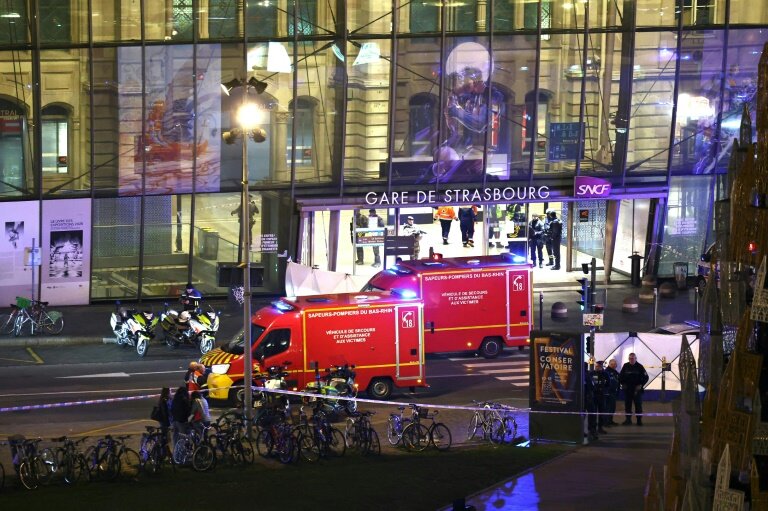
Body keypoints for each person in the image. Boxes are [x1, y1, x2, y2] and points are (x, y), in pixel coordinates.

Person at [619, 352, 649, 425]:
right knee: (627, 406)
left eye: (633, 358)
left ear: (636, 358)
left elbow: (646, 377)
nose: (631, 360)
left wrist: (641, 385)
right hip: (628, 390)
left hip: (637, 390)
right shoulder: (625, 366)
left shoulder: (640, 366)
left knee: (638, 406)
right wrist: (623, 384)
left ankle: (639, 421)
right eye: (630, 358)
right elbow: (620, 376)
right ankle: (628, 420)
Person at [604, 359, 620, 426]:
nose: (614, 365)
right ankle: (606, 422)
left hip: (614, 392)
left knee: (612, 408)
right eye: (612, 364)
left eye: (615, 364)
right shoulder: (606, 372)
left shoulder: (615, 372)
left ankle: (610, 420)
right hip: (608, 393)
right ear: (609, 364)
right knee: (608, 408)